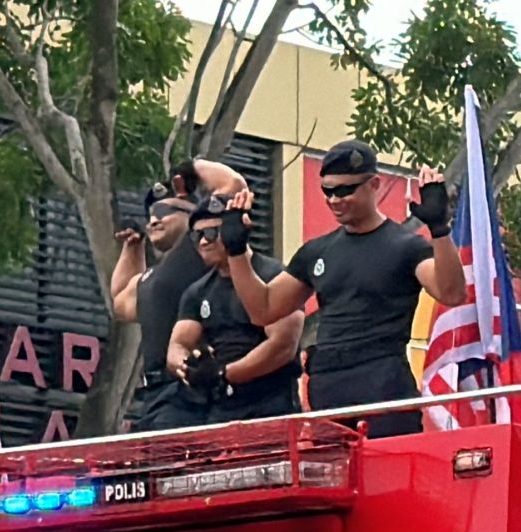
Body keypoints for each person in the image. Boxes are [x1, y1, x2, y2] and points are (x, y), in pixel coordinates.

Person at [217, 140, 467, 438]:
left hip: (382, 383)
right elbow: (263, 309)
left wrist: (440, 230)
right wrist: (236, 252)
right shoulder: (318, 251)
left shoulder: (405, 247)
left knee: (388, 477)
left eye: (346, 190)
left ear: (374, 183)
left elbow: (451, 293)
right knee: (329, 480)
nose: (335, 200)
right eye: (328, 191)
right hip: (328, 388)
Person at [111, 159, 246, 431]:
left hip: (189, 389)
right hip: (154, 395)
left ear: (191, 214)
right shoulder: (156, 275)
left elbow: (233, 184)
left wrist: (192, 167)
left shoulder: (198, 247)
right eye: (149, 214)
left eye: (163, 210)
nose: (153, 220)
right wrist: (133, 246)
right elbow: (121, 302)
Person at [165, 196, 304, 423]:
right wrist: (189, 368)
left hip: (271, 405)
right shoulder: (197, 292)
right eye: (196, 236)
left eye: (211, 233)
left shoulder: (274, 275)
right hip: (221, 408)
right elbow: (178, 345)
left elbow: (282, 346)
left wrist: (224, 373)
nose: (203, 242)